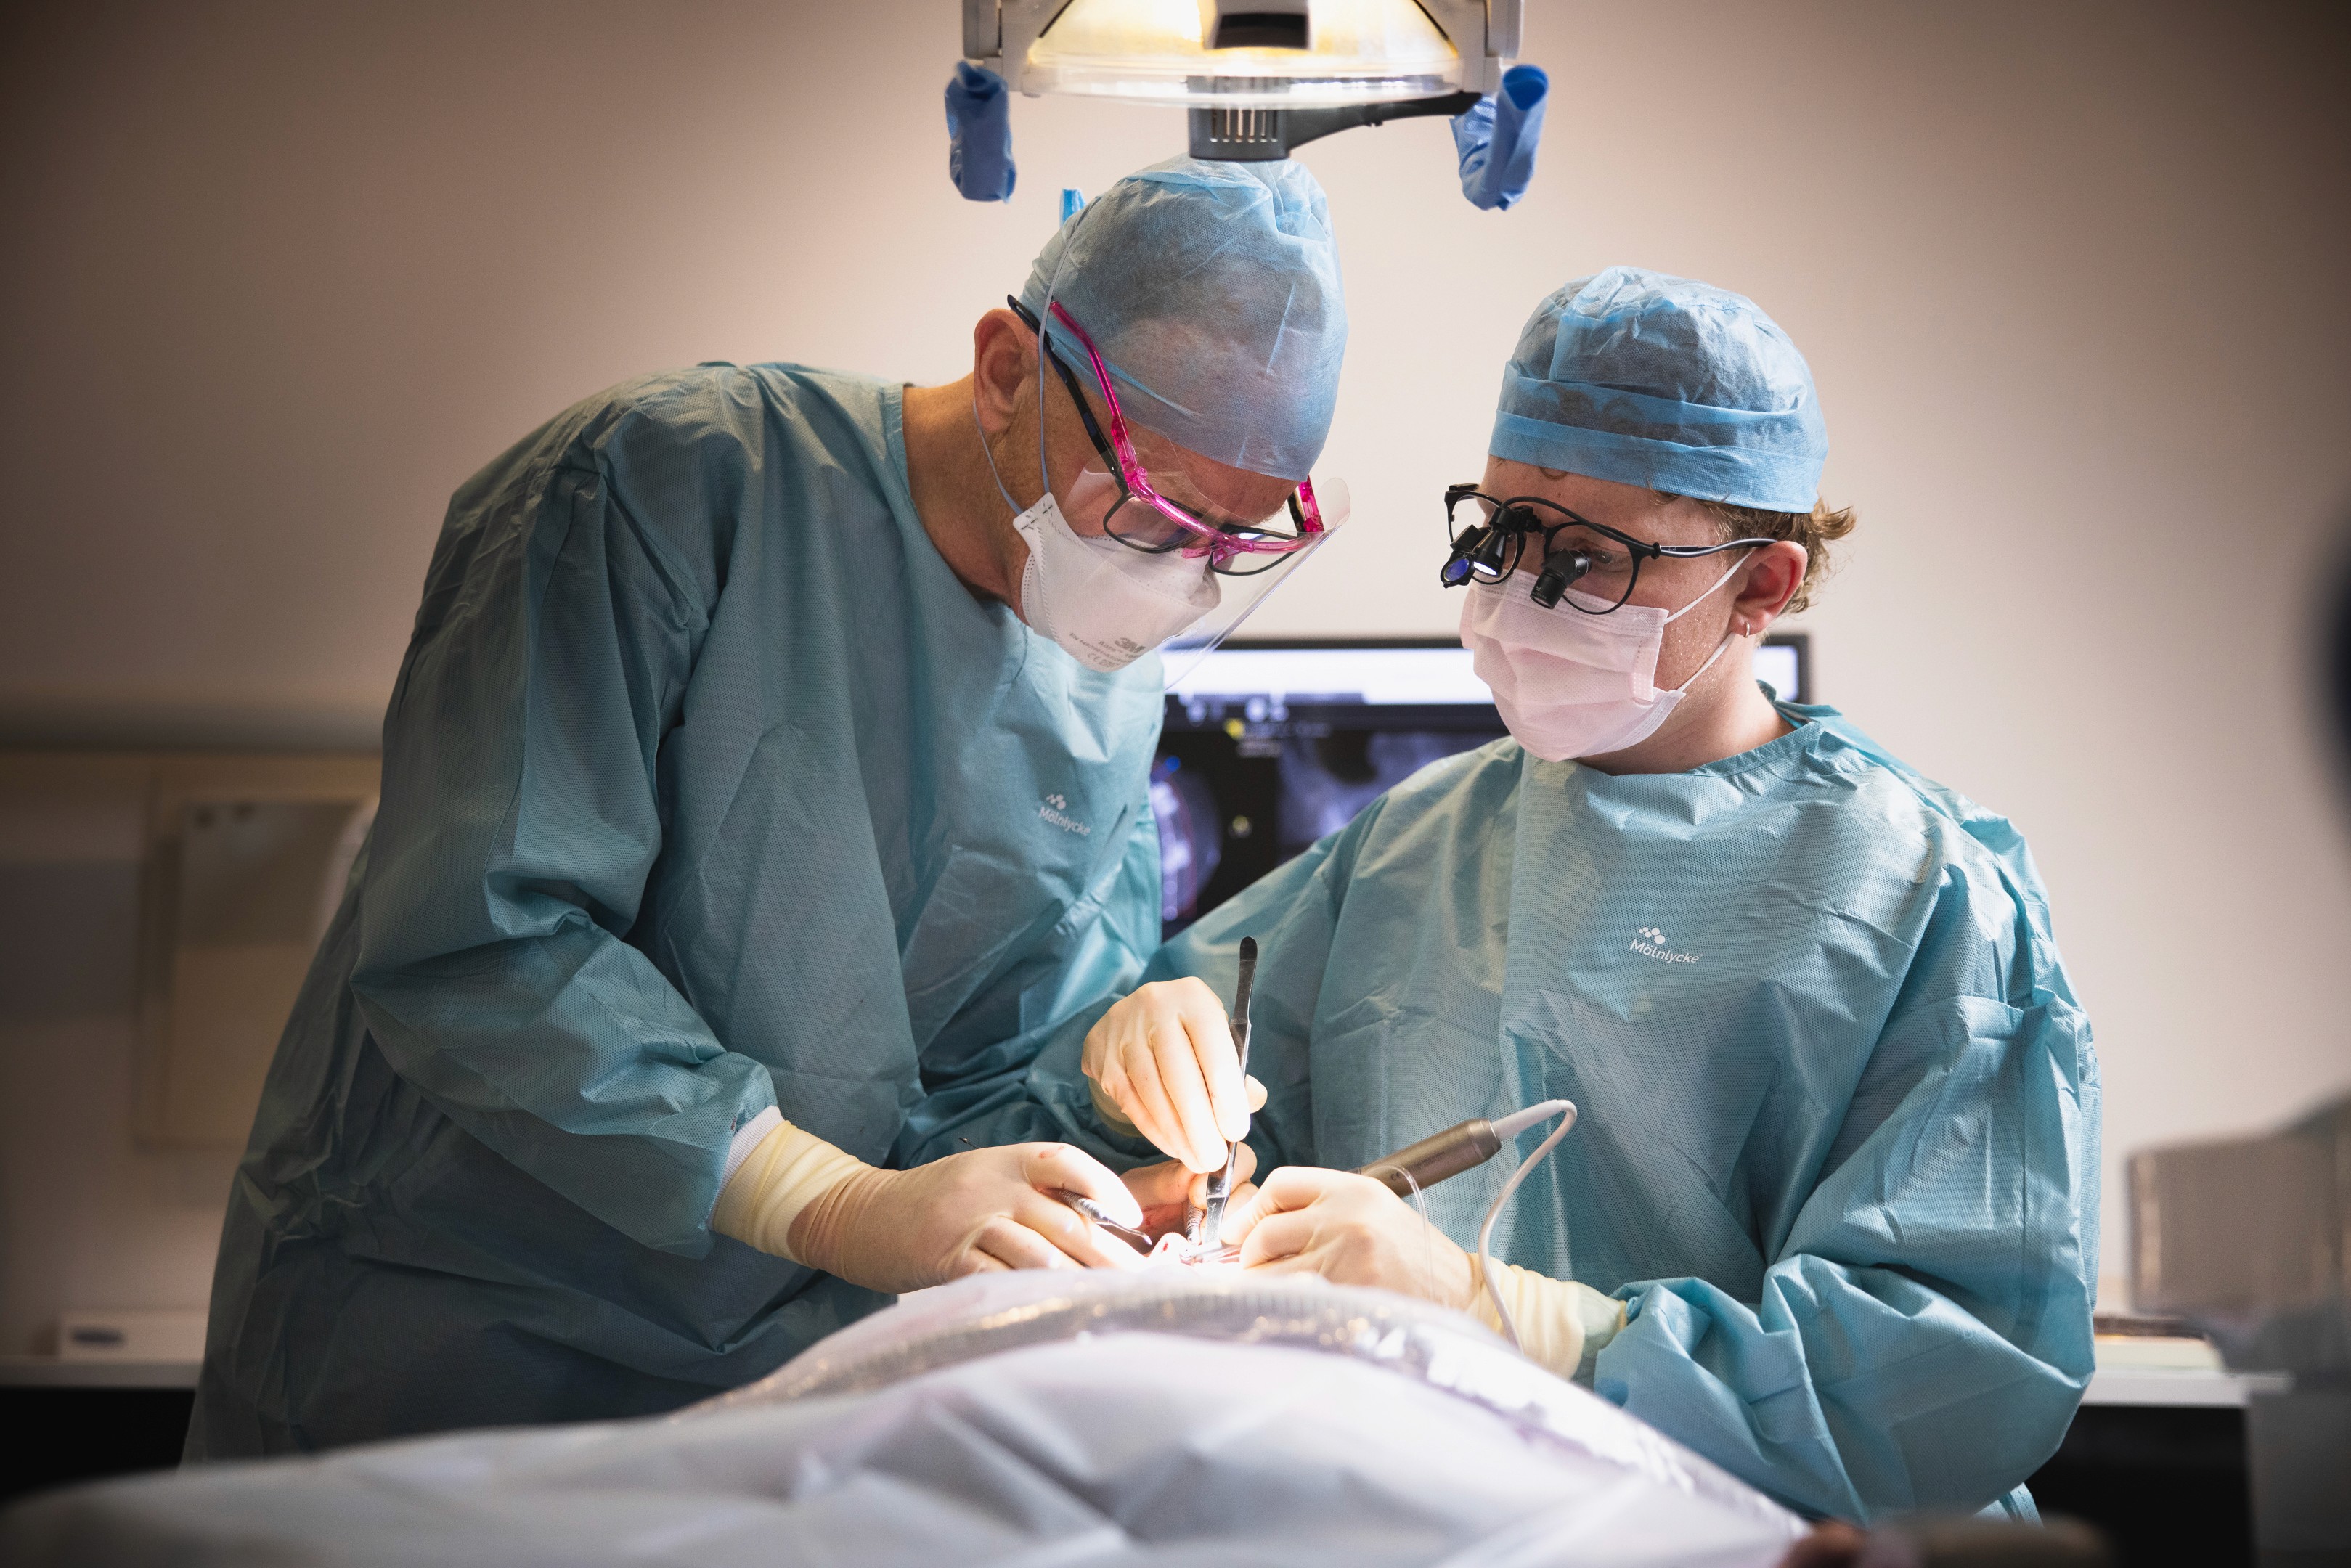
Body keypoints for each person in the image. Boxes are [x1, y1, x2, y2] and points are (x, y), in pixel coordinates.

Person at [186, 156, 1346, 1459]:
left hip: (786, 1397)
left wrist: (1097, 1094)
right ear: (1010, 369)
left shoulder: (1095, 671)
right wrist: (830, 1203)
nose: (1175, 579)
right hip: (458, 1355)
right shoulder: (664, 486)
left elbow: (951, 1090)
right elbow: (481, 944)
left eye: (1231, 547)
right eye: (1144, 512)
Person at [1011, 268, 2100, 1524]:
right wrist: (1135, 1050)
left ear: (1761, 585)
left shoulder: (1918, 892)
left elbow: (1946, 1377)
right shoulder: (1419, 837)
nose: (1517, 596)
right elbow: (1155, 1120)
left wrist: (1513, 1319)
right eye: (1503, 536)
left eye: (1587, 559)